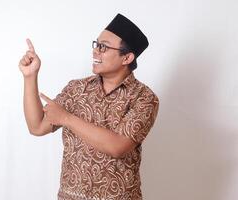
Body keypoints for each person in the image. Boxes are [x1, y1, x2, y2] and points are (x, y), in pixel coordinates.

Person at [19, 13, 159, 200]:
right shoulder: (77, 89)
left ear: (126, 58)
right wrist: (30, 77)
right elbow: (37, 127)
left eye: (104, 47)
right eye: (96, 44)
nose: (95, 51)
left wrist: (67, 118)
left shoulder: (144, 98)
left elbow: (118, 146)